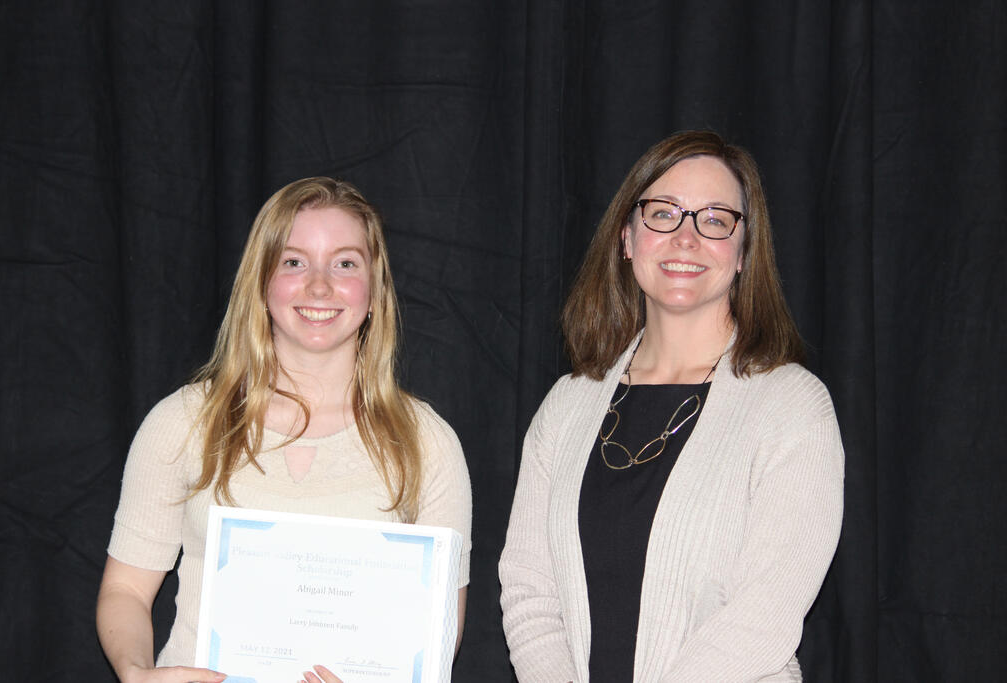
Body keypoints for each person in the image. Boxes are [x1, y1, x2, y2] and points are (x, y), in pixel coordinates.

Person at [499, 131, 843, 682]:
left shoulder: (792, 407)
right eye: (663, 213)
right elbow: (528, 592)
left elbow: (763, 617)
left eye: (714, 220)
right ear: (627, 238)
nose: (686, 238)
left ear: (743, 253)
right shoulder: (566, 406)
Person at [96, 177, 472, 683]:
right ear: (261, 280)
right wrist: (136, 671)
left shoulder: (426, 443)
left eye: (345, 263)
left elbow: (437, 631)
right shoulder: (184, 422)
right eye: (294, 262)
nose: (319, 286)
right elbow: (125, 591)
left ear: (375, 290)